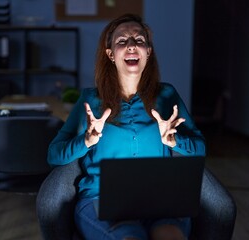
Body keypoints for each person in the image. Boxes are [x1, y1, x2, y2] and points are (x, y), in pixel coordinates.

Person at [47, 13, 205, 240]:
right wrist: (86, 141)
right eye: (122, 41)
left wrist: (174, 141)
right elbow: (54, 155)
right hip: (100, 199)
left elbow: (200, 149)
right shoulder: (90, 100)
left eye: (139, 40)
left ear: (148, 52)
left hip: (159, 201)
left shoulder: (167, 95)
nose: (132, 46)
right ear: (110, 54)